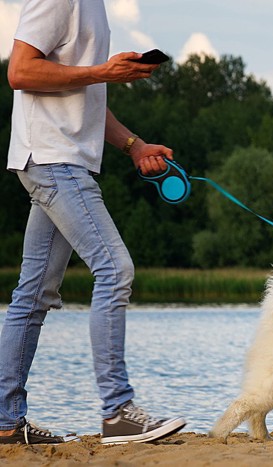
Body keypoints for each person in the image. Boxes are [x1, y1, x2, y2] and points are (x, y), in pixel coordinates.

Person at [0, 0, 186, 445]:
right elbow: (20, 72)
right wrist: (102, 72)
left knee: (35, 292)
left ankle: (6, 421)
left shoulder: (93, 7)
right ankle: (118, 410)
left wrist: (135, 146)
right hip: (53, 160)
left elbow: (82, 97)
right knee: (115, 268)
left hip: (63, 160)